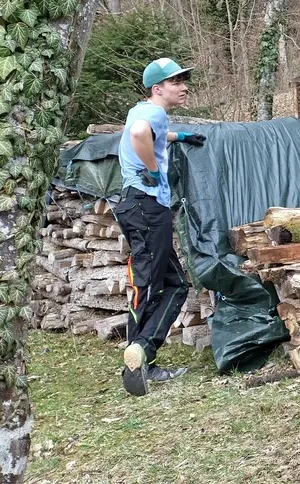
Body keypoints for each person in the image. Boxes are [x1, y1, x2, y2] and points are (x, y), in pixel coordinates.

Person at [114, 57, 207, 397]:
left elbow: (146, 132)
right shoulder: (151, 114)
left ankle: (142, 354)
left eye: (184, 80)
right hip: (146, 206)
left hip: (139, 206)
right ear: (158, 89)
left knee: (175, 284)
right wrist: (153, 170)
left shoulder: (143, 110)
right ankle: (135, 360)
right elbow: (140, 134)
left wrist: (179, 136)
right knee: (148, 283)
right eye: (176, 82)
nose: (184, 87)